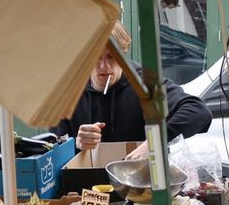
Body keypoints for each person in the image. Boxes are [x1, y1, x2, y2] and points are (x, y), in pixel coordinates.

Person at [54, 22, 212, 156]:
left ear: (123, 54)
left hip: (141, 181)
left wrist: (155, 142)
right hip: (87, 187)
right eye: (96, 57)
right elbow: (53, 150)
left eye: (111, 57)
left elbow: (198, 111)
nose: (104, 66)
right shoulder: (70, 94)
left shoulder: (143, 84)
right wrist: (76, 144)